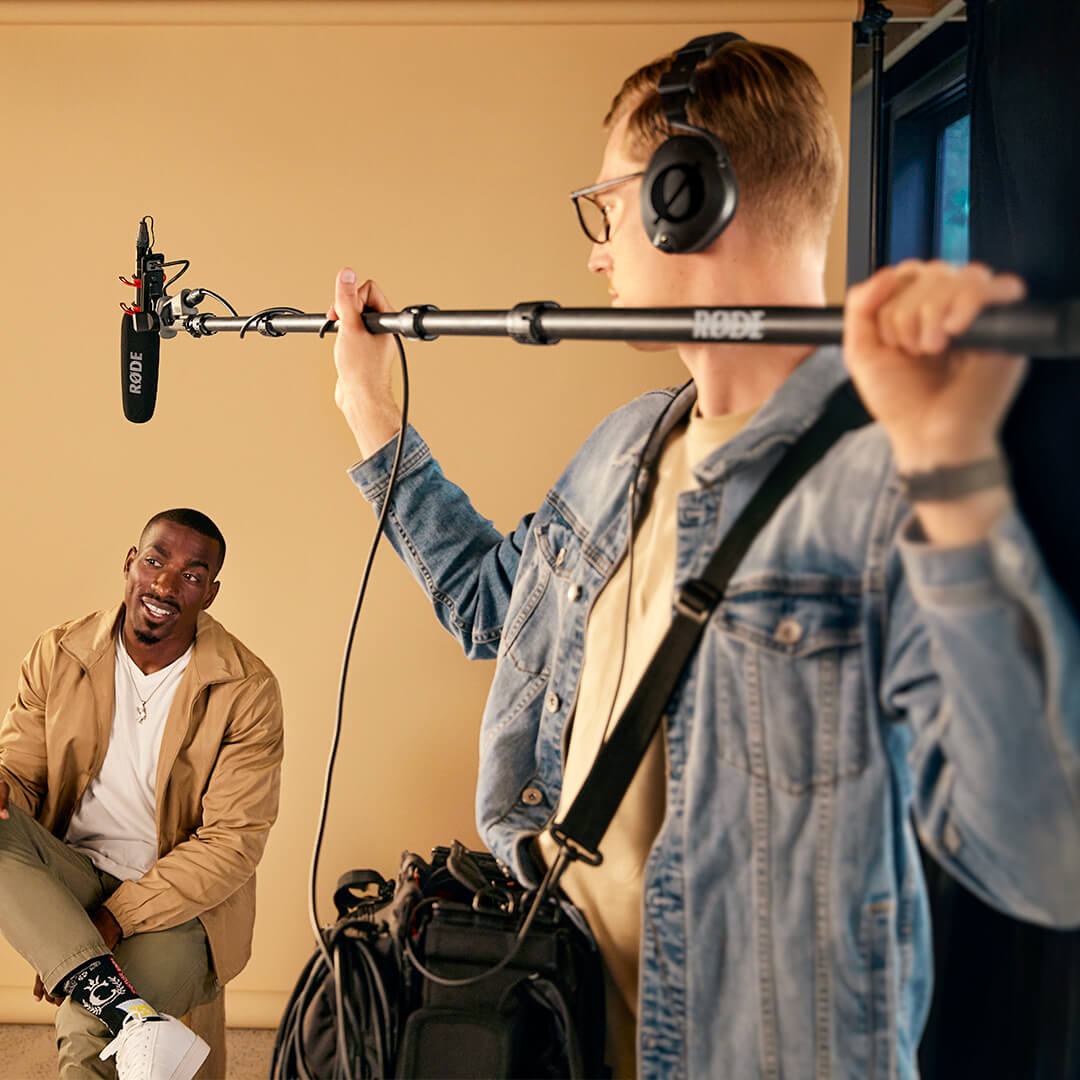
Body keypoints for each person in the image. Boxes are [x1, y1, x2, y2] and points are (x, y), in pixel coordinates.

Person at [328, 35, 1080, 1079]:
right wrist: (372, 414)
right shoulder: (622, 447)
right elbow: (486, 609)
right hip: (567, 1029)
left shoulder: (887, 482)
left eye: (608, 207)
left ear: (691, 197)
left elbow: (1046, 853)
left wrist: (954, 469)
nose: (595, 251)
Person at [0, 509, 284, 1080]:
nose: (164, 584)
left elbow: (232, 844)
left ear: (211, 593)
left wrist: (111, 919)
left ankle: (102, 997)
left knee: (89, 1040)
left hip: (179, 908)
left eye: (191, 575)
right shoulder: (59, 653)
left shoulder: (247, 690)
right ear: (130, 563)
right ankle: (127, 1008)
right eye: (154, 561)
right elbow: (21, 780)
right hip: (70, 873)